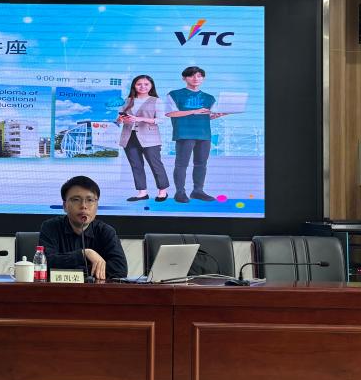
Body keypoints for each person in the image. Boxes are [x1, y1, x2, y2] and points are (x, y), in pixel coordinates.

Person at [38, 175, 127, 281]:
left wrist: (77, 272)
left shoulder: (106, 231)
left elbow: (119, 269)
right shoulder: (50, 227)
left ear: (97, 206)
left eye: (90, 200)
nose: (84, 206)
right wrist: (84, 254)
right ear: (65, 206)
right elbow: (44, 263)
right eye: (76, 200)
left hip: (96, 291)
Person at [165, 66, 227, 203]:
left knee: (201, 164)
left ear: (203, 78)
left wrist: (218, 114)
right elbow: (170, 113)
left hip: (204, 134)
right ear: (184, 78)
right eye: (191, 75)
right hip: (184, 133)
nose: (195, 78)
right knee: (182, 164)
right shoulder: (174, 94)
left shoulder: (209, 98)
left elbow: (208, 116)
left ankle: (198, 191)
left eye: (199, 76)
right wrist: (194, 111)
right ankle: (180, 193)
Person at [117, 74, 169, 202]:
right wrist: (121, 119)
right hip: (129, 137)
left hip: (150, 138)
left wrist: (139, 119)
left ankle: (162, 191)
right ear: (134, 86)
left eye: (146, 84)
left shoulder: (156, 101)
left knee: (155, 165)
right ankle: (142, 192)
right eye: (139, 84)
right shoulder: (127, 100)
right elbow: (118, 120)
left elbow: (161, 120)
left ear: (151, 86)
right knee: (136, 165)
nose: (142, 87)